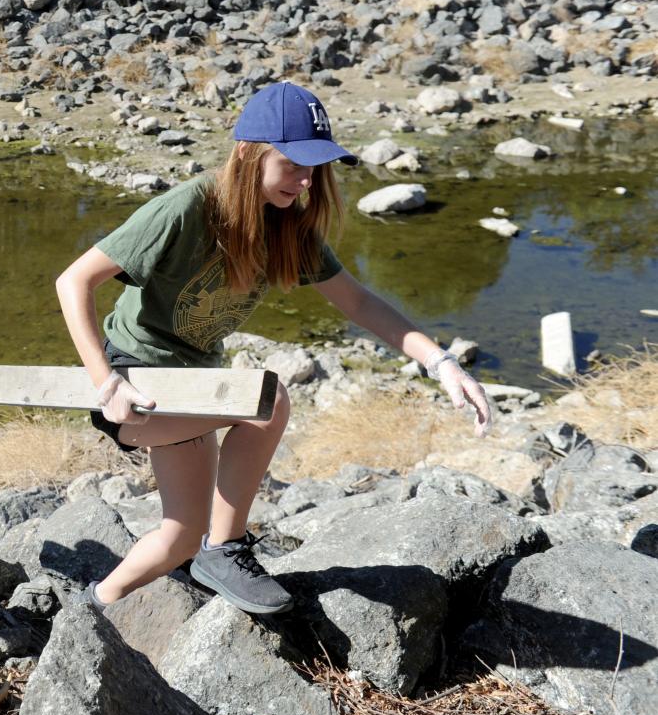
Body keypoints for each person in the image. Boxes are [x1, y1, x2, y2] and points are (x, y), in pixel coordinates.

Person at [55, 82, 491, 615]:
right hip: (135, 382)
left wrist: (439, 361)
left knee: (179, 539)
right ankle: (228, 549)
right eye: (293, 164)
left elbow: (358, 302)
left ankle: (92, 606)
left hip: (193, 387)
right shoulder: (186, 209)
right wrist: (105, 382)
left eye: (316, 167)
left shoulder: (289, 227)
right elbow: (73, 282)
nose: (307, 180)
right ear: (247, 153)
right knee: (268, 400)